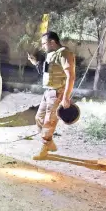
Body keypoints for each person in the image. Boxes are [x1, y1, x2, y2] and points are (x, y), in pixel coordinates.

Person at [28, 31, 76, 160]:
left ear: (53, 42)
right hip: (48, 92)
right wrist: (36, 64)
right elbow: (49, 73)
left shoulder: (64, 53)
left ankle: (44, 150)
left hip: (57, 93)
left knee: (49, 122)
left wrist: (66, 97)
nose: (43, 46)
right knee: (39, 118)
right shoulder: (51, 54)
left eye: (44, 43)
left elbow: (70, 76)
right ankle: (50, 143)